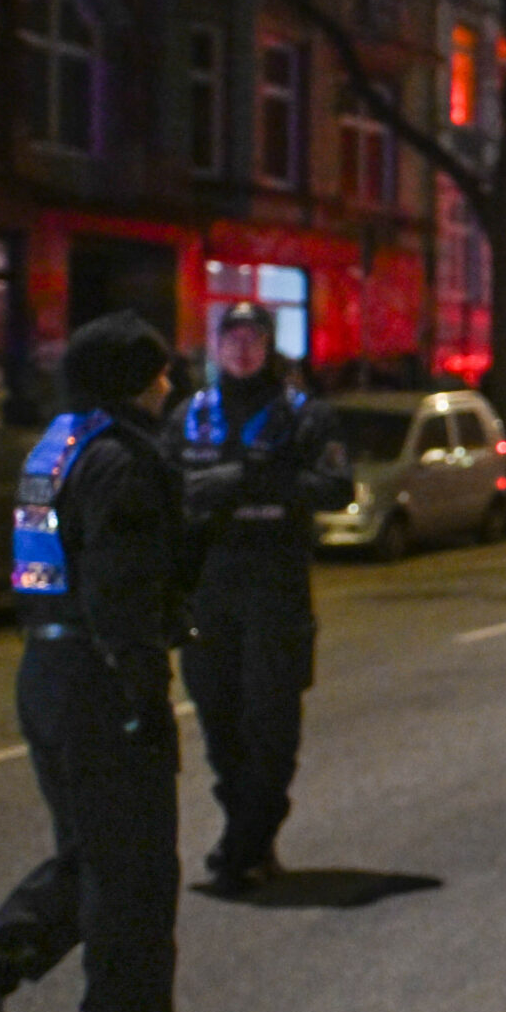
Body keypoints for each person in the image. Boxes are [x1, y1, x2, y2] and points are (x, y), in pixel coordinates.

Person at [0, 314, 215, 1012]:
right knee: (134, 870)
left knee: (92, 859)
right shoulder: (119, 460)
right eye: (160, 372)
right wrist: (140, 683)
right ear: (132, 380)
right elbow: (122, 587)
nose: (170, 386)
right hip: (100, 682)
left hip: (47, 670)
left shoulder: (55, 445)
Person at [168, 300, 353, 892]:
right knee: (220, 724)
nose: (242, 349)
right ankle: (247, 833)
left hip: (275, 589)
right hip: (208, 590)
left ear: (269, 346)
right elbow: (161, 493)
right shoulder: (189, 417)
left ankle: (242, 846)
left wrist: (254, 480)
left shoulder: (304, 416)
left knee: (270, 724)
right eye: (232, 337)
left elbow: (336, 489)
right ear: (216, 345)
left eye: (254, 338)